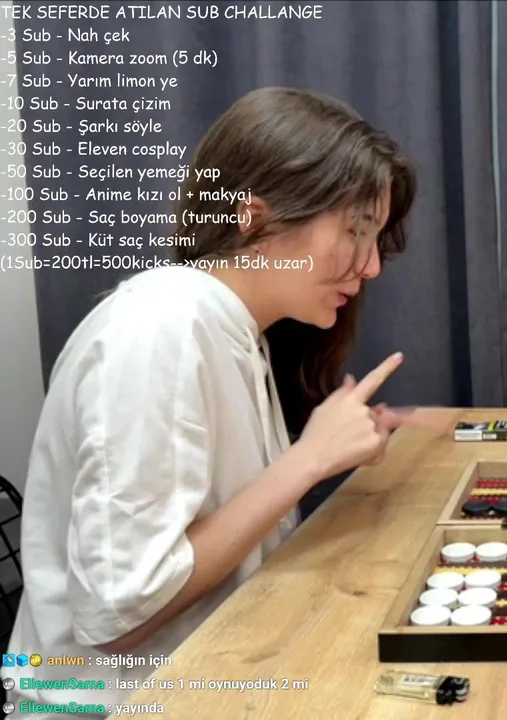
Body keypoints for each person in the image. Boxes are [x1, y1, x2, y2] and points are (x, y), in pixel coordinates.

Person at [3, 87, 434, 716]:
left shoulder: (229, 329)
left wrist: (328, 449)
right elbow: (120, 612)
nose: (370, 267)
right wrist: (307, 461)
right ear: (252, 218)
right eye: (355, 231)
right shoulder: (162, 327)